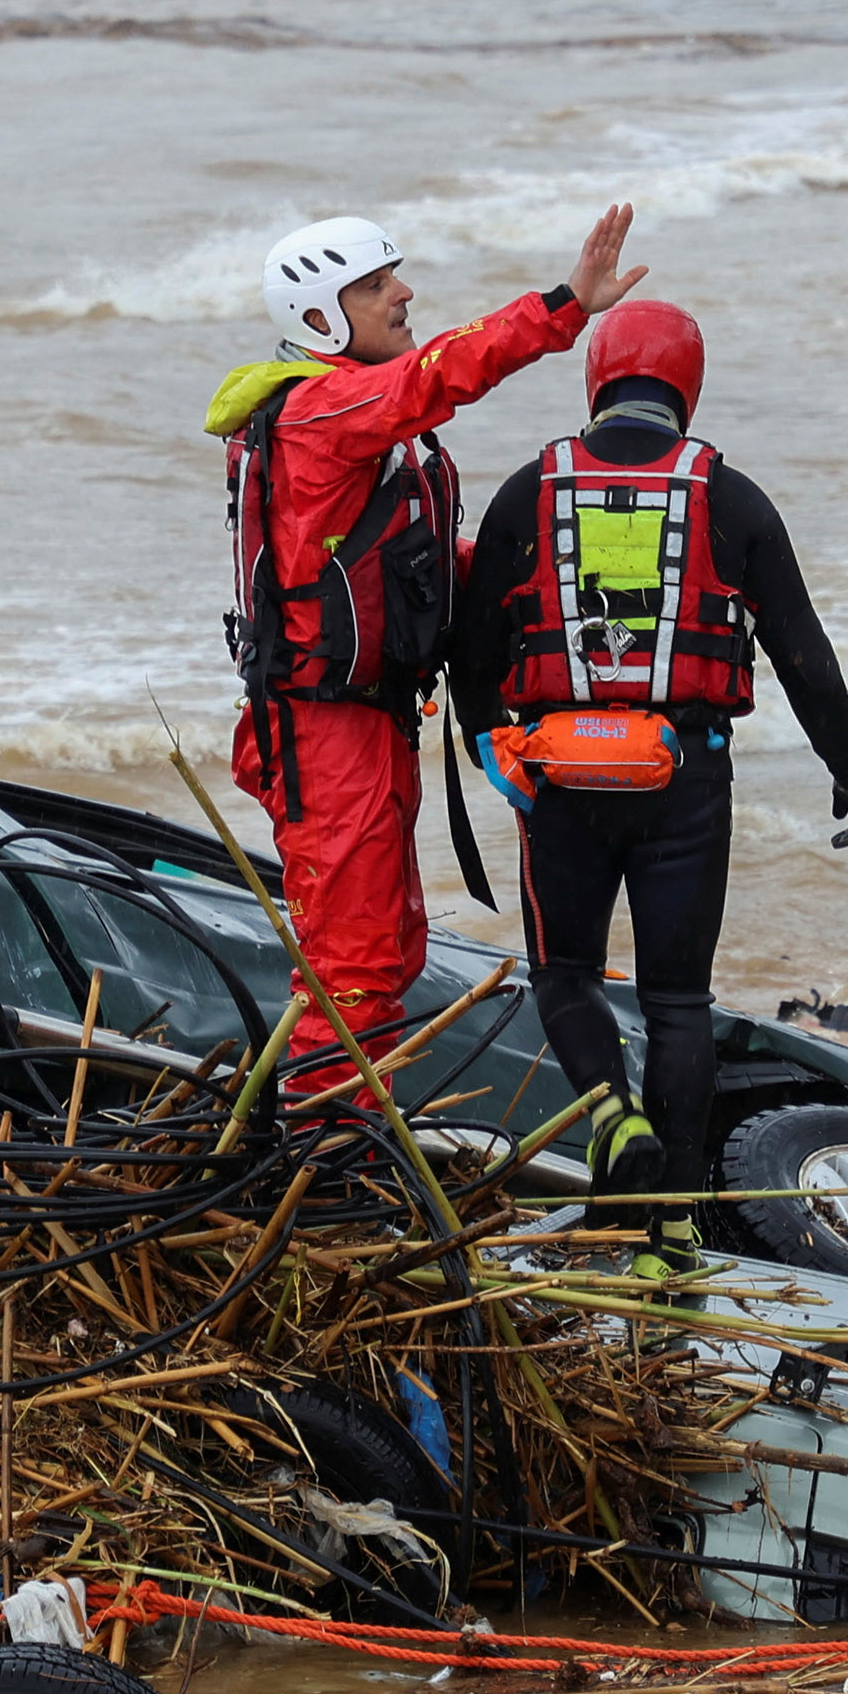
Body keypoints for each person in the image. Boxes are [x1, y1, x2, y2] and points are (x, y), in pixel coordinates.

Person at [446, 300, 848, 1279]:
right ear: (688, 385)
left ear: (596, 378)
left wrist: (490, 748)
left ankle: (606, 1115)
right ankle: (670, 1236)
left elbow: (472, 652)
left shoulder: (529, 492)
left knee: (565, 979)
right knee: (679, 1001)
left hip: (560, 783)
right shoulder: (732, 500)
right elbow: (802, 651)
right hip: (683, 778)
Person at [208, 203, 646, 1077]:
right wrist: (563, 305)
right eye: (375, 285)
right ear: (321, 318)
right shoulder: (320, 411)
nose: (402, 294)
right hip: (325, 735)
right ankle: (332, 1156)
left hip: (369, 725)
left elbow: (402, 563)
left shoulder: (349, 420)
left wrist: (541, 570)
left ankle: (335, 1134)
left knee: (392, 949)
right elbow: (436, 377)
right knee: (357, 968)